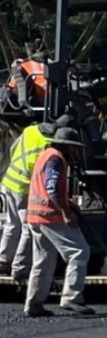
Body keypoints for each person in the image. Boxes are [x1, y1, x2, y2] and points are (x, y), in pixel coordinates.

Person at [23, 126, 93, 318]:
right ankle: (71, 297)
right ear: (66, 146)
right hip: (49, 215)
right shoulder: (56, 159)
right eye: (72, 147)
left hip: (36, 215)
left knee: (43, 261)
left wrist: (68, 202)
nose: (74, 151)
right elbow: (52, 189)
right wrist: (66, 212)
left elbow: (49, 188)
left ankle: (33, 304)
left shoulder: (46, 155)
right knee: (79, 251)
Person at [0, 115, 71, 280]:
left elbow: (13, 150)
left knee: (12, 225)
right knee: (28, 228)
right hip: (24, 187)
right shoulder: (50, 146)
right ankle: (19, 268)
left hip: (9, 180)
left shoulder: (30, 130)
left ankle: (3, 261)